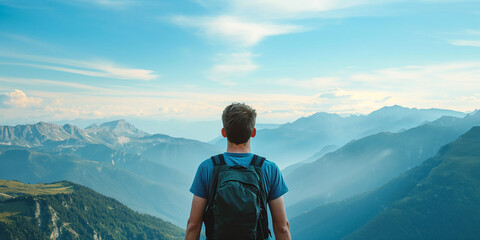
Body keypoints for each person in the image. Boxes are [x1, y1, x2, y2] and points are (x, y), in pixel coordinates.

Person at [185, 103, 291, 240]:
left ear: (223, 132)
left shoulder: (207, 168)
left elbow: (193, 225)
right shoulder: (269, 169)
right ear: (253, 132)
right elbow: (282, 227)